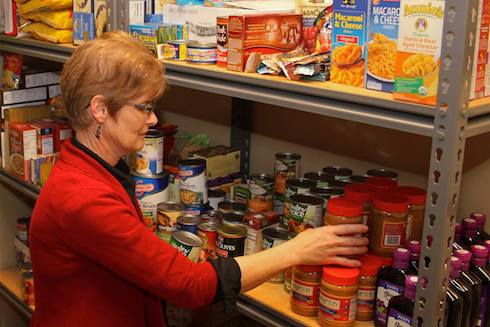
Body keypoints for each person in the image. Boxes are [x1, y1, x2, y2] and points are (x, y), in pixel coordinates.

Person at [29, 31, 368, 327]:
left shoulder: (94, 169)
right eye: (144, 107)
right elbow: (191, 285)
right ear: (100, 109)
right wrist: (297, 250)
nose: (153, 118)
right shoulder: (82, 197)